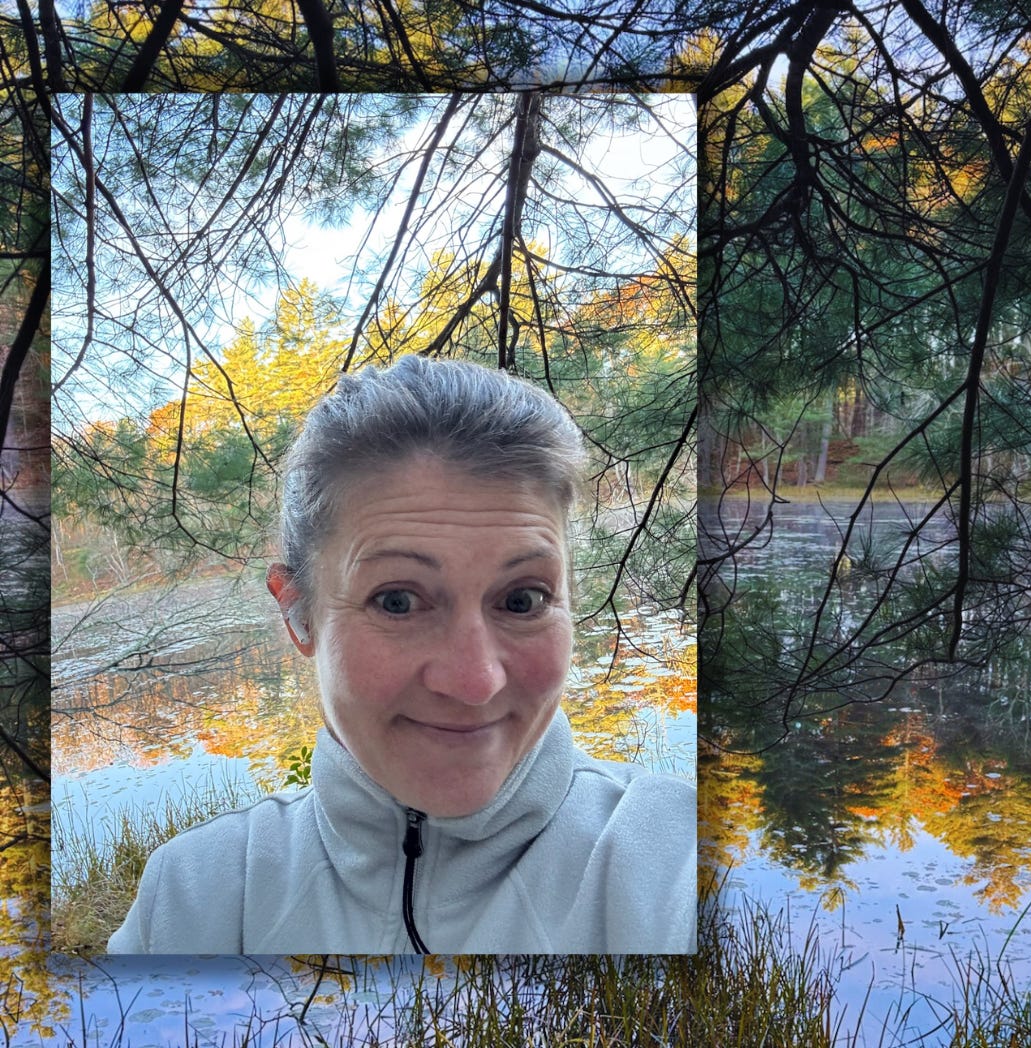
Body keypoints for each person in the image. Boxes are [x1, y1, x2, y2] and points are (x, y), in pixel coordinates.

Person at [108, 355, 697, 954]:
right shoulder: (192, 901)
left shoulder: (681, 864)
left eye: (522, 600)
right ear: (298, 613)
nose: (475, 681)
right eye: (396, 602)